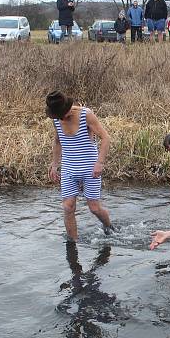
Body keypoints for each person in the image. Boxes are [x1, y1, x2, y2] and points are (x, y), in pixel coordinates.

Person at [46, 90, 117, 240]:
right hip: (69, 168)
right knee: (68, 207)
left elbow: (106, 138)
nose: (60, 118)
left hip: (90, 169)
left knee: (94, 208)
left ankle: (109, 226)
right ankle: (73, 243)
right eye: (57, 116)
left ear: (67, 109)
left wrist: (100, 163)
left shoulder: (86, 114)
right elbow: (58, 141)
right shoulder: (56, 118)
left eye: (61, 115)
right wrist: (54, 165)